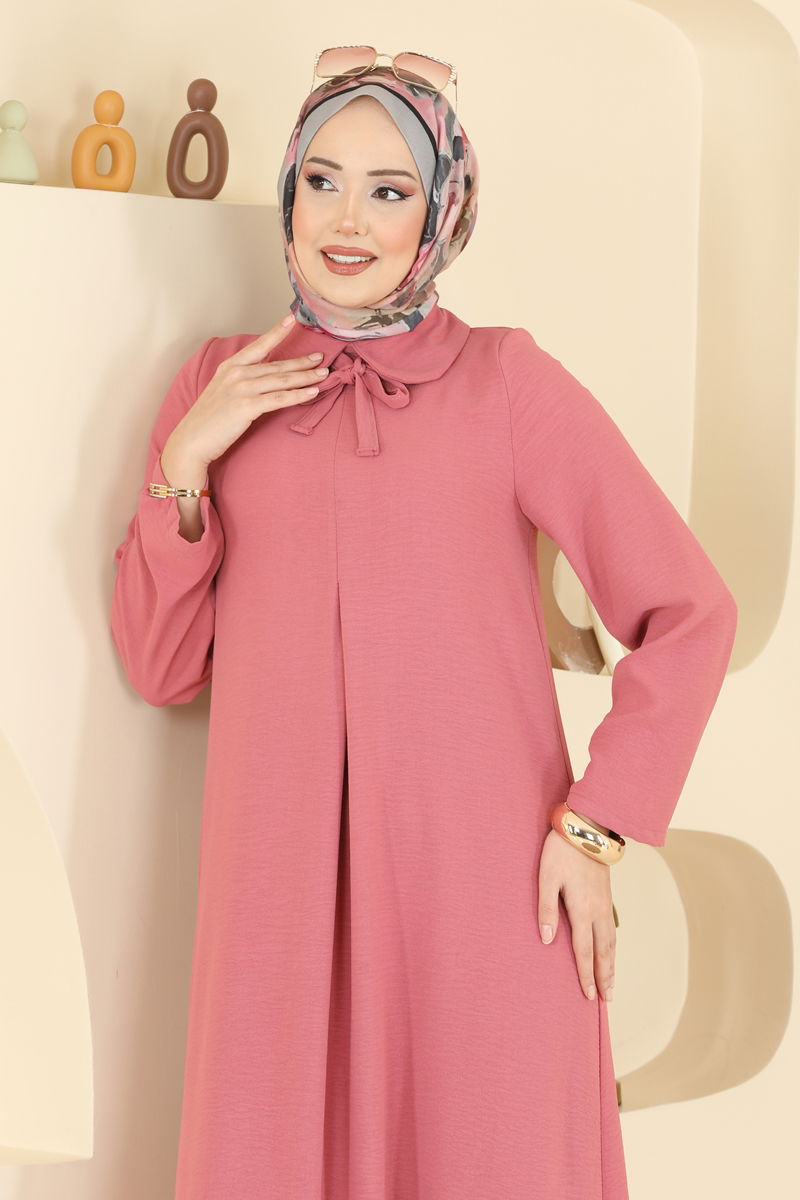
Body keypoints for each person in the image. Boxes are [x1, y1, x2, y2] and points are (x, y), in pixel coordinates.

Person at [110, 51, 738, 1200]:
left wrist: (594, 827)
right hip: (280, 913)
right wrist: (186, 466)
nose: (347, 221)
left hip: (481, 899)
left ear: (441, 211)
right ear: (287, 190)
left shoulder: (506, 385)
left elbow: (689, 612)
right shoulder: (218, 383)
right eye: (322, 181)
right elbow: (159, 666)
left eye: (389, 190)